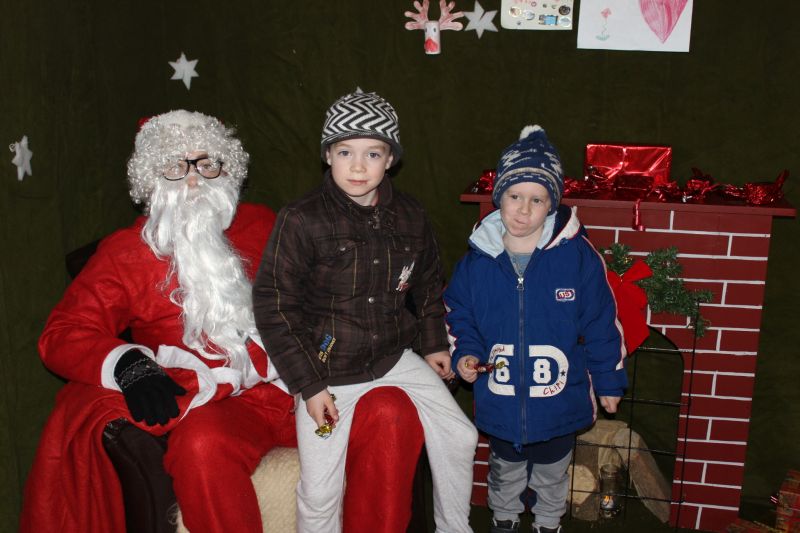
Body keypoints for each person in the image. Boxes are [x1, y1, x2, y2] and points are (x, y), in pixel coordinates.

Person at [20, 109, 425, 533]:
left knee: (390, 409)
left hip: (306, 389)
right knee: (200, 443)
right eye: (176, 167)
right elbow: (63, 333)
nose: (195, 181)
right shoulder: (125, 254)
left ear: (228, 169)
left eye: (207, 164)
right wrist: (129, 365)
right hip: (222, 407)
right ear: (150, 179)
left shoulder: (264, 223)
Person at [253, 89, 479, 533]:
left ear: (390, 159)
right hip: (327, 372)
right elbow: (274, 305)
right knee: (320, 491)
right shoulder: (301, 218)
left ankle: (454, 528)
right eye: (345, 152)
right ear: (327, 156)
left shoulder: (411, 214)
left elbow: (428, 283)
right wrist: (309, 385)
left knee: (461, 433)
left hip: (394, 358)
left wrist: (434, 344)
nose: (358, 166)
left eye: (372, 153)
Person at [444, 126, 628, 533]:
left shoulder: (577, 257)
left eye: (537, 199)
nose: (523, 210)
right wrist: (466, 353)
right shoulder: (477, 261)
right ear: (500, 198)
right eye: (515, 196)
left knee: (552, 472)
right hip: (501, 398)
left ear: (552, 204)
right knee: (505, 470)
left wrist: (609, 380)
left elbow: (601, 321)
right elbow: (459, 313)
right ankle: (504, 519)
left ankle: (548, 522)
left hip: (560, 400)